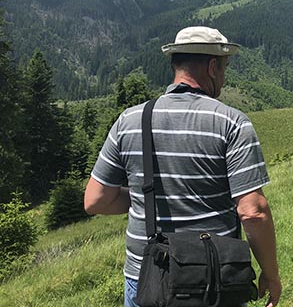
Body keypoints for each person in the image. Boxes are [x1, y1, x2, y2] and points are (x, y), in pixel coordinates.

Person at [84, 26, 281, 307]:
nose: (223, 78)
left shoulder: (128, 121)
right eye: (224, 68)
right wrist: (270, 275)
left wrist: (144, 196)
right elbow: (252, 211)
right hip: (214, 278)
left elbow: (94, 201)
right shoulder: (232, 123)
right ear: (212, 67)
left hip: (146, 278)